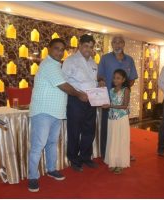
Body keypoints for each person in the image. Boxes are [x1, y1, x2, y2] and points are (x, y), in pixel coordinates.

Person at [28, 38, 88, 192]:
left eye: (62, 50)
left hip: (55, 113)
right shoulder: (48, 65)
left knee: (51, 143)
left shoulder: (57, 66)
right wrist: (79, 94)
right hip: (43, 112)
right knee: (38, 146)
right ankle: (32, 177)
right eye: (56, 48)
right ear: (48, 48)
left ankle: (51, 169)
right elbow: (64, 87)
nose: (60, 52)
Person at [97, 35, 138, 160]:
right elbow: (100, 76)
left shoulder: (129, 60)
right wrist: (101, 81)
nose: (117, 44)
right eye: (114, 42)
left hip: (122, 100)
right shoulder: (105, 58)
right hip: (107, 100)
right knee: (107, 128)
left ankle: (123, 153)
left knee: (122, 128)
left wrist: (123, 90)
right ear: (111, 44)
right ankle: (106, 153)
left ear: (123, 44)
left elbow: (132, 79)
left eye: (120, 42)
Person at [62, 34, 98, 172]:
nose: (88, 49)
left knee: (89, 130)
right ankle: (74, 159)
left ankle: (85, 157)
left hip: (91, 101)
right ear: (79, 45)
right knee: (74, 131)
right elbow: (64, 82)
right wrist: (78, 94)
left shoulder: (93, 63)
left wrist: (99, 84)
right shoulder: (70, 61)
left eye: (91, 46)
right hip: (75, 100)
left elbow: (93, 81)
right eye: (86, 46)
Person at [102, 69, 131, 175]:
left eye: (118, 78)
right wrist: (103, 102)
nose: (115, 80)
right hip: (111, 118)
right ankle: (112, 161)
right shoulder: (111, 90)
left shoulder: (126, 90)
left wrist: (110, 105)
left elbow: (124, 106)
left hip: (121, 118)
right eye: (114, 77)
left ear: (123, 80)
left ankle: (120, 163)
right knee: (112, 139)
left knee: (120, 140)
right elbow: (109, 102)